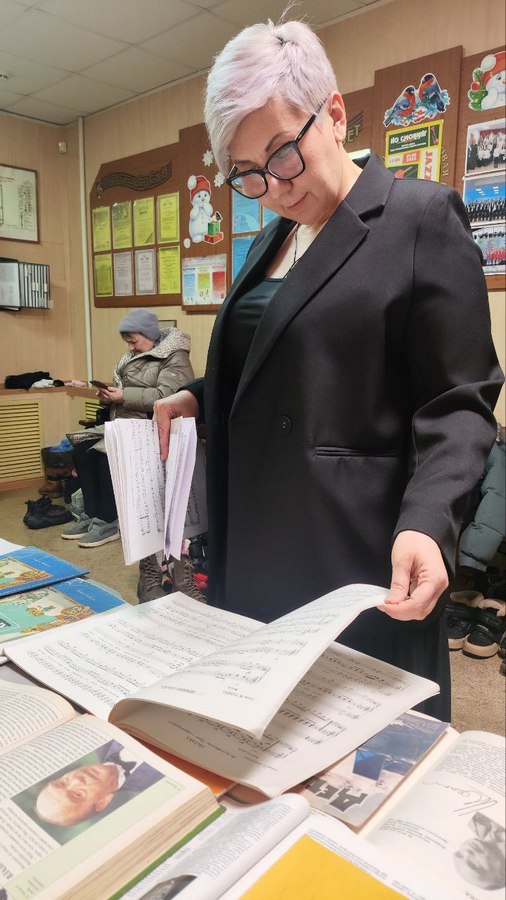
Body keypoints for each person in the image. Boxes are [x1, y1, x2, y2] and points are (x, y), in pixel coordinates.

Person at [153, 18, 503, 721]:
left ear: (335, 114)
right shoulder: (272, 238)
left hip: (352, 545)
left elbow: (458, 400)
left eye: (283, 152)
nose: (274, 187)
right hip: (253, 529)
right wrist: (200, 395)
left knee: (348, 736)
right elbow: (285, 358)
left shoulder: (418, 219)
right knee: (253, 729)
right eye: (247, 173)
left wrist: (429, 520)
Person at [63, 309, 194, 602]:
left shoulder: (175, 357)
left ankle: (109, 521)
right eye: (128, 342)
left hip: (152, 427)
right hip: (124, 422)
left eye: (134, 340)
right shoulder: (131, 357)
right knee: (83, 452)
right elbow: (126, 392)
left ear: (150, 335)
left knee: (102, 458)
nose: (131, 347)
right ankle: (96, 516)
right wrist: (107, 395)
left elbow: (167, 397)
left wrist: (122, 396)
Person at [34, 739, 163, 828]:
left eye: (62, 782)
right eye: (78, 794)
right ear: (103, 802)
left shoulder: (100, 739)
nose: (77, 780)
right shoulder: (158, 784)